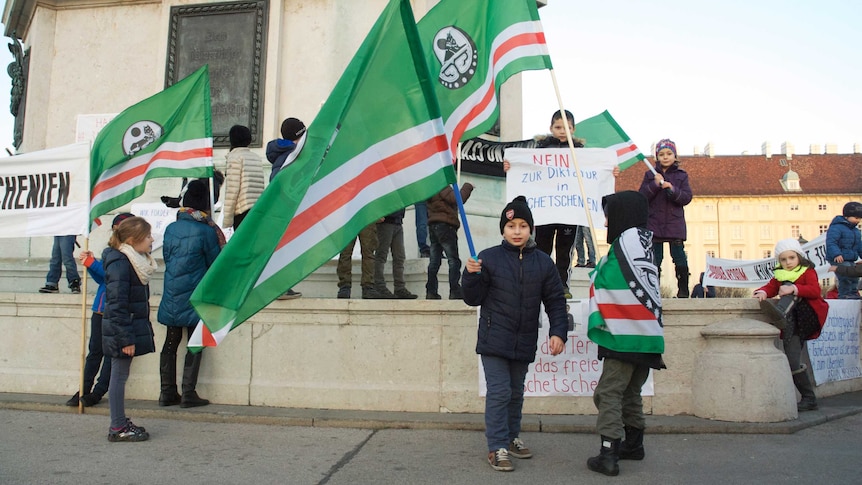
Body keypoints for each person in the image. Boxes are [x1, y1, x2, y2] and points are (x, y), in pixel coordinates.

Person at [462, 195, 567, 472]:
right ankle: (496, 446)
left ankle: (510, 437)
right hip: (493, 339)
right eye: (511, 227)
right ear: (503, 230)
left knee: (516, 392)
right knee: (499, 392)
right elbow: (472, 298)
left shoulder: (544, 263)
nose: (517, 231)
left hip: (524, 340)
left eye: (522, 225)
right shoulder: (487, 258)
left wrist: (559, 332)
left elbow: (556, 300)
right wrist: (470, 274)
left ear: (530, 229)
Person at [586, 190, 666, 477]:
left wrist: (597, 271)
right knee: (632, 391)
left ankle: (609, 453)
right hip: (647, 337)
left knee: (608, 392)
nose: (607, 223)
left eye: (610, 216)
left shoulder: (625, 245)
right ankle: (635, 443)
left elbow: (607, 280)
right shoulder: (644, 243)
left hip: (624, 333)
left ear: (623, 215)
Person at [157, 180, 222, 408]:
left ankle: (166, 392)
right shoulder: (207, 231)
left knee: (171, 342)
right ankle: (188, 393)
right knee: (194, 344)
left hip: (173, 292)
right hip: (195, 295)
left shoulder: (171, 228)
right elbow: (215, 265)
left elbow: (167, 258)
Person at [66, 213, 135, 408]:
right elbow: (102, 280)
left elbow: (113, 278)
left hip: (115, 311)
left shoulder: (129, 255)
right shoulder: (110, 252)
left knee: (110, 355)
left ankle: (98, 391)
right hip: (100, 309)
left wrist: (93, 264)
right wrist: (91, 265)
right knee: (94, 352)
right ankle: (83, 388)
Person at [754, 238, 827, 412]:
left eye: (791, 258)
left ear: (799, 257)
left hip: (806, 316)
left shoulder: (807, 271)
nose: (788, 263)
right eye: (783, 259)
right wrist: (763, 291)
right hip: (791, 322)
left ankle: (779, 312)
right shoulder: (780, 274)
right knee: (792, 360)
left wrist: (794, 288)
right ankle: (809, 399)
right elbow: (771, 286)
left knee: (787, 287)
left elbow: (815, 291)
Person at [101, 216, 157, 442]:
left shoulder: (132, 260)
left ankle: (120, 422)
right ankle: (117, 426)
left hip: (125, 326)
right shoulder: (121, 263)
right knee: (119, 375)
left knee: (119, 375)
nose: (152, 240)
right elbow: (117, 304)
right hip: (122, 329)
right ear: (134, 240)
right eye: (148, 236)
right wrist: (126, 339)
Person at [638, 138, 693, 298]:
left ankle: (683, 290)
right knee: (655, 260)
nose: (665, 157)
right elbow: (642, 196)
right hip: (655, 224)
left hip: (675, 224)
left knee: (679, 258)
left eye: (669, 153)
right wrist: (654, 185)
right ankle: (653, 291)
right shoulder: (650, 175)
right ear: (656, 157)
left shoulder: (681, 175)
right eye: (661, 154)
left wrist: (672, 190)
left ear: (675, 156)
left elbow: (686, 197)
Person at [266, 117, 306, 300]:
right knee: (282, 250)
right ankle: (278, 288)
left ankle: (281, 286)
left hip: (282, 210)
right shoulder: (290, 157)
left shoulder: (285, 155)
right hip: (284, 211)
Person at [426, 183, 474, 300]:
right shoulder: (441, 185)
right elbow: (457, 199)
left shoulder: (430, 187)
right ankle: (455, 291)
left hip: (434, 225)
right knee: (453, 261)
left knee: (434, 261)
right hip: (446, 226)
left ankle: (431, 291)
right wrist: (467, 187)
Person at [223, 125, 266, 231]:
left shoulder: (235, 158)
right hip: (257, 209)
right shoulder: (256, 158)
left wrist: (227, 218)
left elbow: (232, 190)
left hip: (242, 210)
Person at [373, 208, 417, 299]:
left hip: (398, 221)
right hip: (385, 221)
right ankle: (379, 286)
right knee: (381, 255)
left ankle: (399, 288)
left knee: (399, 257)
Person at [825, 201, 862, 299]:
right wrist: (836, 254)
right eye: (856, 218)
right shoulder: (836, 227)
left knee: (854, 276)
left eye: (860, 218)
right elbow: (831, 242)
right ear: (847, 216)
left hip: (850, 258)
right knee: (845, 277)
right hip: (838, 257)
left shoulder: (856, 231)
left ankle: (853, 293)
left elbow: (859, 245)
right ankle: (845, 294)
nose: (858, 220)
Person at [337, 223, 382, 299]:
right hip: (350, 218)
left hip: (367, 218)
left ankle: (368, 286)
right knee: (345, 253)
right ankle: (345, 286)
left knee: (368, 254)